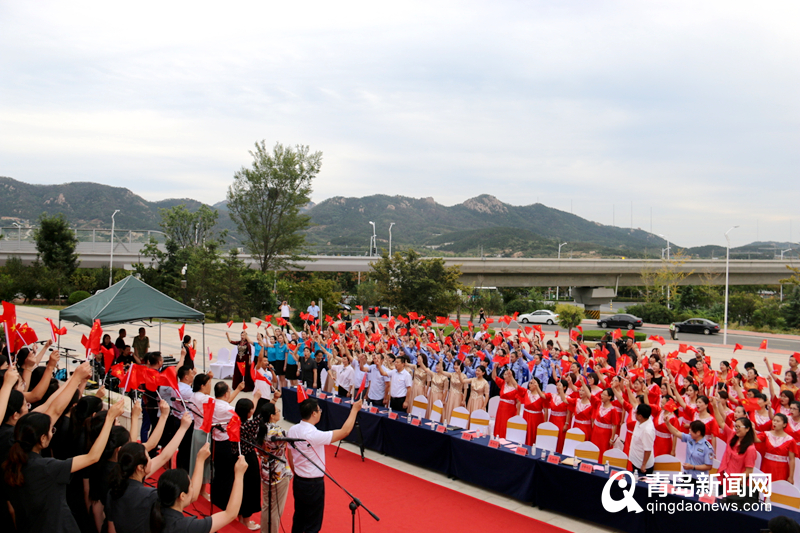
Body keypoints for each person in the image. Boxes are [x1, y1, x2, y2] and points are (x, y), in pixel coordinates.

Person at [3, 400, 125, 532]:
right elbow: (93, 457)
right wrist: (110, 418)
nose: (52, 434)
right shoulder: (46, 468)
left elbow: (12, 509)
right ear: (42, 438)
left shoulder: (10, 465)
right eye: (51, 431)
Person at [105, 413, 196, 533]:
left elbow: (164, 457)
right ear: (140, 467)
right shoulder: (149, 496)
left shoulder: (115, 487)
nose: (151, 460)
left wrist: (182, 428)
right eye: (148, 458)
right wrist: (199, 461)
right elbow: (191, 497)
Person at [287, 397, 362, 533]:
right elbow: (344, 432)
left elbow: (290, 453)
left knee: (299, 517)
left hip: (298, 480)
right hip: (313, 484)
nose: (320, 412)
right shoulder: (313, 434)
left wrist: (296, 472)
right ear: (313, 414)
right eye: (319, 410)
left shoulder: (293, 429)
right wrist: (354, 410)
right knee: (312, 523)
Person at [150, 455, 248, 533]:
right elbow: (230, 514)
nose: (193, 489)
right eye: (191, 486)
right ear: (182, 496)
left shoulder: (154, 506)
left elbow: (193, 495)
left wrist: (200, 460)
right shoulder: (186, 527)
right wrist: (239, 475)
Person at [258, 402, 293, 533]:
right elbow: (292, 437)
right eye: (277, 411)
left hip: (265, 470)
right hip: (278, 473)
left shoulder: (260, 428)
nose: (279, 412)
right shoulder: (276, 431)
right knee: (276, 509)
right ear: (272, 416)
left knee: (267, 505)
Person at [491, 364, 520, 438]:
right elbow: (494, 377)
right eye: (504, 374)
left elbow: (518, 402)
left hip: (510, 410)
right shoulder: (503, 383)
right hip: (501, 409)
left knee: (506, 426)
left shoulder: (516, 388)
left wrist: (518, 415)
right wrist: (495, 367)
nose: (504, 376)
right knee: (499, 424)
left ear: (511, 376)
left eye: (506, 374)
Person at [628, 404, 655, 475]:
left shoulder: (647, 431)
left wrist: (643, 465)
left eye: (636, 413)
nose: (634, 413)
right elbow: (634, 402)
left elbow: (648, 450)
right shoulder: (643, 419)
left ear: (640, 416)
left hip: (642, 466)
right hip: (636, 460)